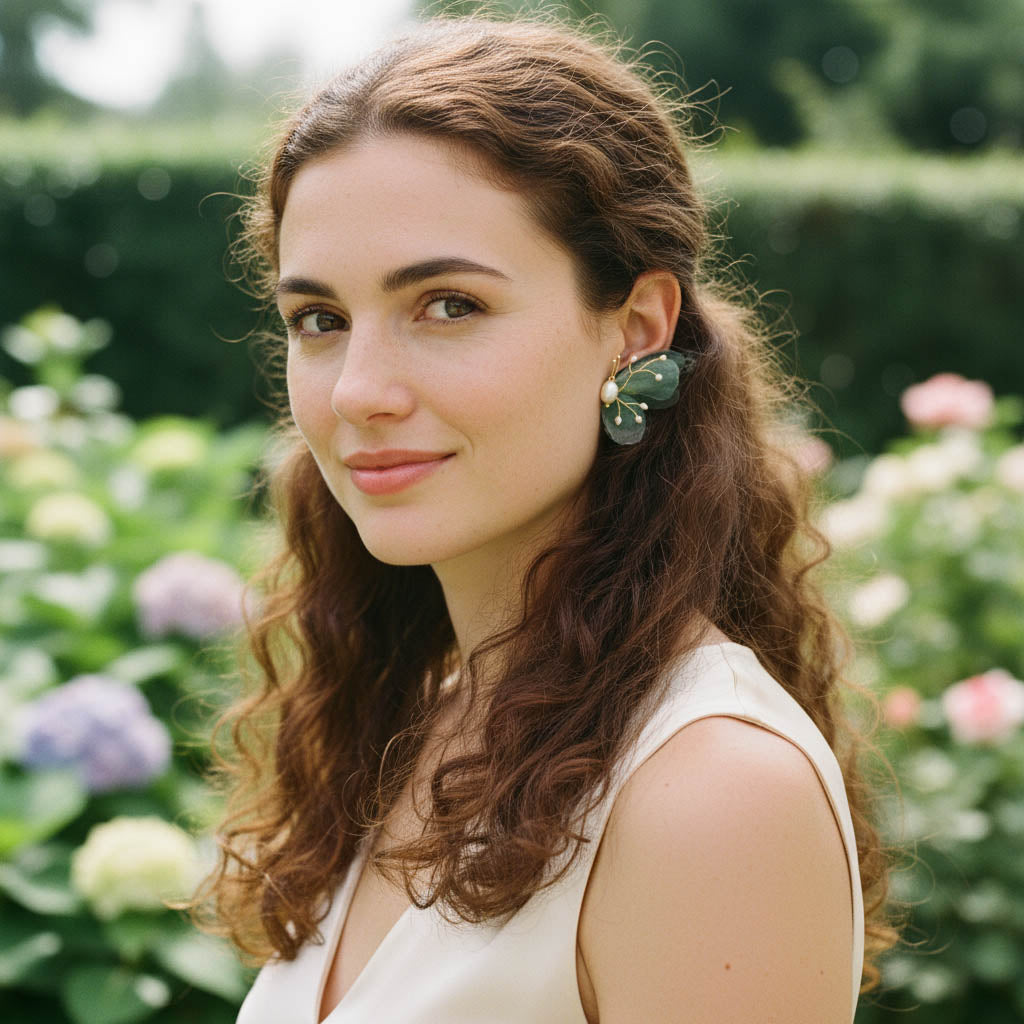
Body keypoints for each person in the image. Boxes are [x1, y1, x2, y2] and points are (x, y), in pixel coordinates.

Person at [188, 13, 901, 1023]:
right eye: (320, 320)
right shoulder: (421, 719)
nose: (358, 390)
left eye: (448, 305)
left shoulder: (712, 794)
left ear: (635, 328)